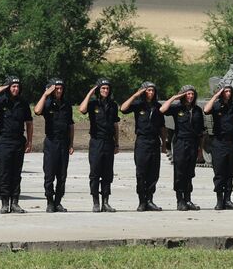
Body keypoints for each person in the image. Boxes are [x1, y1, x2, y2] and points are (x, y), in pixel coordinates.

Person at [0, 76, 33, 214]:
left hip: (18, 141)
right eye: (13, 86)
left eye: (17, 86)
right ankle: (4, 203)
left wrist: (30, 141)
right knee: (5, 173)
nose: (15, 89)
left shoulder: (23, 103)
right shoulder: (0, 101)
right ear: (8, 88)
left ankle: (15, 203)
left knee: (16, 174)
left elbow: (29, 122)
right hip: (4, 141)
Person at [121, 82, 167, 212]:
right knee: (141, 173)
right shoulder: (138, 105)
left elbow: (162, 127)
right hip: (142, 142)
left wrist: (164, 144)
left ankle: (150, 200)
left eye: (152, 90)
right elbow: (123, 109)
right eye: (148, 90)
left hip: (154, 142)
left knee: (154, 173)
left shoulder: (158, 107)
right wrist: (136, 94)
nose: (150, 93)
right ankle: (142, 201)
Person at [160, 84, 204, 211]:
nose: (190, 96)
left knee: (190, 173)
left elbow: (201, 131)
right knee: (180, 172)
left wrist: (200, 149)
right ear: (183, 95)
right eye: (188, 94)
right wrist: (174, 97)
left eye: (192, 94)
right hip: (180, 143)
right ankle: (180, 200)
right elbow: (162, 110)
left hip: (193, 143)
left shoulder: (197, 110)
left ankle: (188, 199)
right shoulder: (177, 108)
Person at [79, 78, 120, 213]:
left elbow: (115, 125)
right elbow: (81, 109)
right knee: (95, 172)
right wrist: (91, 92)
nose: (105, 91)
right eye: (103, 88)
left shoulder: (113, 105)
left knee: (108, 174)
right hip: (96, 142)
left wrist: (117, 143)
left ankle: (106, 202)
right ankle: (95, 202)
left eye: (107, 88)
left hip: (109, 142)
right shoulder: (92, 104)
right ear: (98, 90)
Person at [35, 78, 75, 213]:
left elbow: (71, 125)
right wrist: (46, 94)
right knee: (49, 174)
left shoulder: (66, 105)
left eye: (61, 89)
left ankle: (58, 202)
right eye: (56, 89)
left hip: (64, 143)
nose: (59, 91)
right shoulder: (47, 103)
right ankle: (50, 202)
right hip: (51, 142)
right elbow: (37, 111)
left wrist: (71, 143)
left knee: (62, 175)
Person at [204, 84, 233, 211]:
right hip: (218, 143)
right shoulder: (216, 106)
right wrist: (216, 95)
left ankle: (228, 200)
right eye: (225, 91)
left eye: (229, 91)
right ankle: (219, 200)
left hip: (231, 143)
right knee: (219, 172)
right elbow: (206, 110)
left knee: (230, 173)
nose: (228, 93)